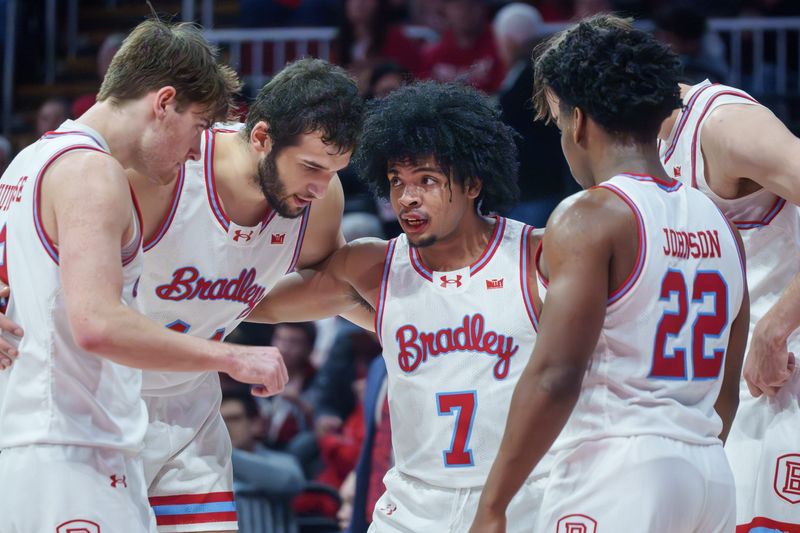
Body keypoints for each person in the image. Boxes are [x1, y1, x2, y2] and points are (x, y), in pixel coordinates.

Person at [0, 19, 287, 533]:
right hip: (69, 448)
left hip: (31, 444)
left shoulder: (27, 161)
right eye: (199, 127)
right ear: (164, 101)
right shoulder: (92, 171)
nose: (199, 151)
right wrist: (230, 355)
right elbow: (98, 325)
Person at [470, 16, 749, 533]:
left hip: (617, 467)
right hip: (710, 473)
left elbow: (555, 376)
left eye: (556, 124)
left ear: (577, 122)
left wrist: (493, 504)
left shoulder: (590, 216)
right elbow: (726, 393)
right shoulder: (721, 224)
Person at [251, 80, 550, 532]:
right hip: (413, 505)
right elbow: (260, 304)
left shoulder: (538, 256)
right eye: (396, 182)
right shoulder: (374, 266)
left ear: (471, 182)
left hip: (522, 499)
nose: (407, 197)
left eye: (426, 180)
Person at [130, 58, 363, 532]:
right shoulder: (171, 167)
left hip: (190, 407)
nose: (320, 188)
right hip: (101, 397)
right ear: (261, 138)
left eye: (335, 170)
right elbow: (45, 224)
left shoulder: (319, 201)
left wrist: (408, 321)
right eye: (311, 167)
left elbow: (333, 289)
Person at [656, 21, 800, 533]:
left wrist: (777, 326)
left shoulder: (721, 124)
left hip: (784, 368)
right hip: (729, 391)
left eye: (566, 122)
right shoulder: (643, 155)